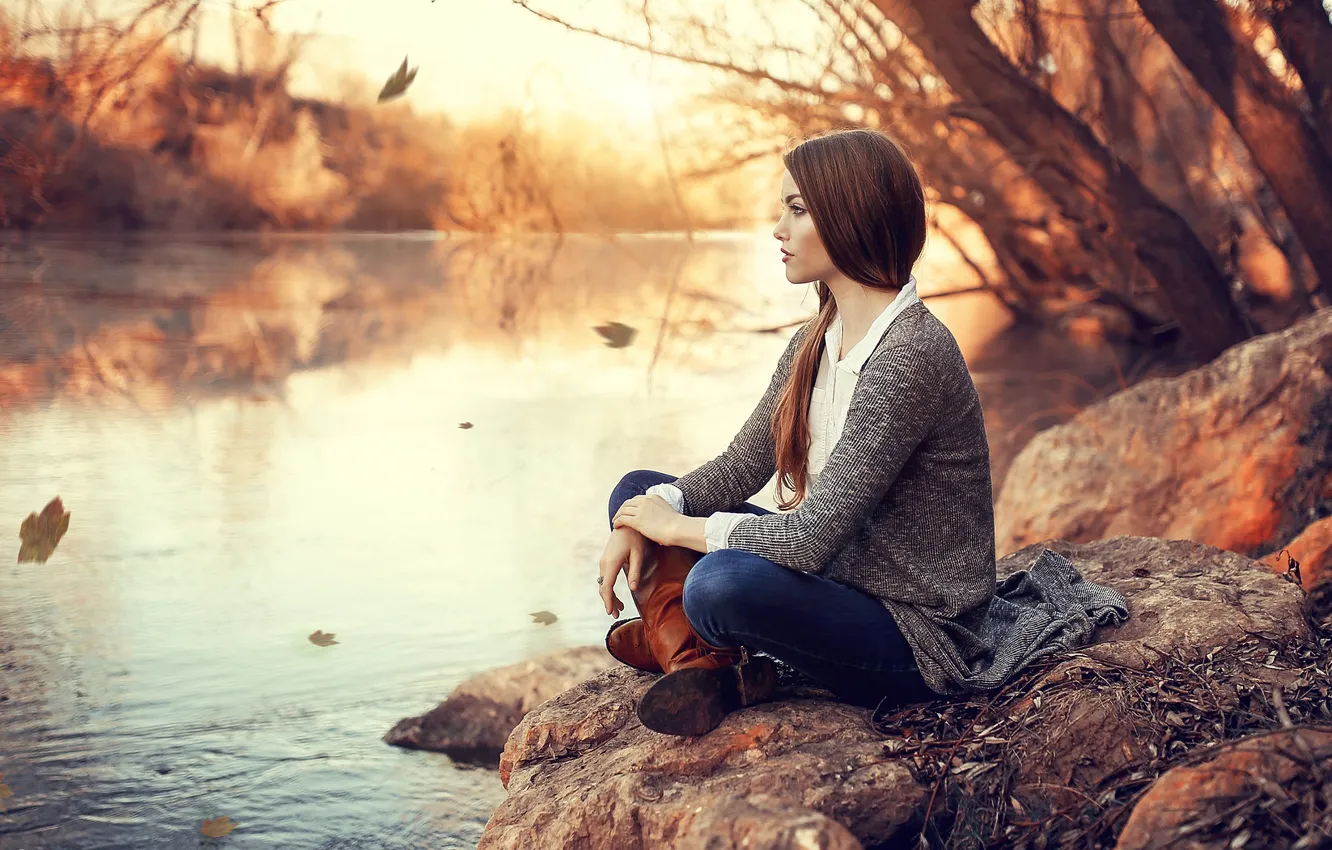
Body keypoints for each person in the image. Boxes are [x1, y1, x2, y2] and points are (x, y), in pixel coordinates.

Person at [599, 127, 1129, 737]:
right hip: (837, 581)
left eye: (796, 211)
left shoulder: (909, 354)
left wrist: (677, 532)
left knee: (720, 584)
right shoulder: (813, 343)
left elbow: (809, 540)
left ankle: (687, 641)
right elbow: (744, 462)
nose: (777, 229)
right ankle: (708, 666)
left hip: (914, 629)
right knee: (637, 489)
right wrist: (644, 516)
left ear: (850, 218)